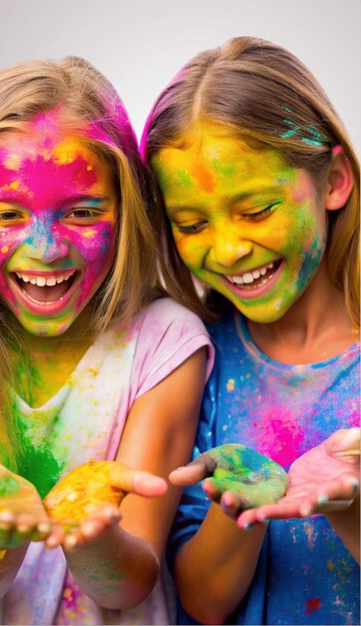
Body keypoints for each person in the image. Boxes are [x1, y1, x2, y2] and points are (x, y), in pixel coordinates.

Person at [0, 56, 213, 625]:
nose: (46, 249)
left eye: (81, 212)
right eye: (6, 212)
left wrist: (93, 539)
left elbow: (128, 587)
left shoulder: (165, 339)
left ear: (126, 211)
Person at [141, 36, 360, 624]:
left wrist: (350, 506)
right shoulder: (195, 359)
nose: (230, 248)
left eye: (257, 210)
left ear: (334, 179)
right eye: (191, 223)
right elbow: (204, 602)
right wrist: (240, 505)